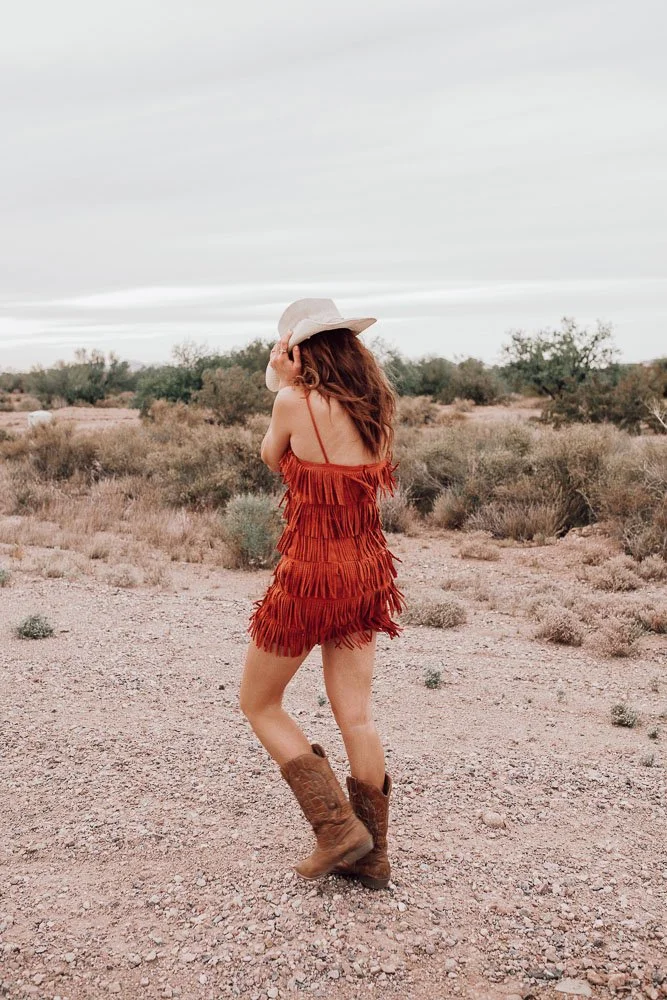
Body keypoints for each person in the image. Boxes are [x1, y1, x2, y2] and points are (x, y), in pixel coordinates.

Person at [239, 298, 406, 889]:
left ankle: (337, 829)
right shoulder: (375, 408)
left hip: (311, 575)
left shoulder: (293, 401)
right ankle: (373, 854)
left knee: (259, 703)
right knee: (356, 716)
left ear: (300, 351)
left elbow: (270, 456)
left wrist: (284, 382)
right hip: (365, 571)